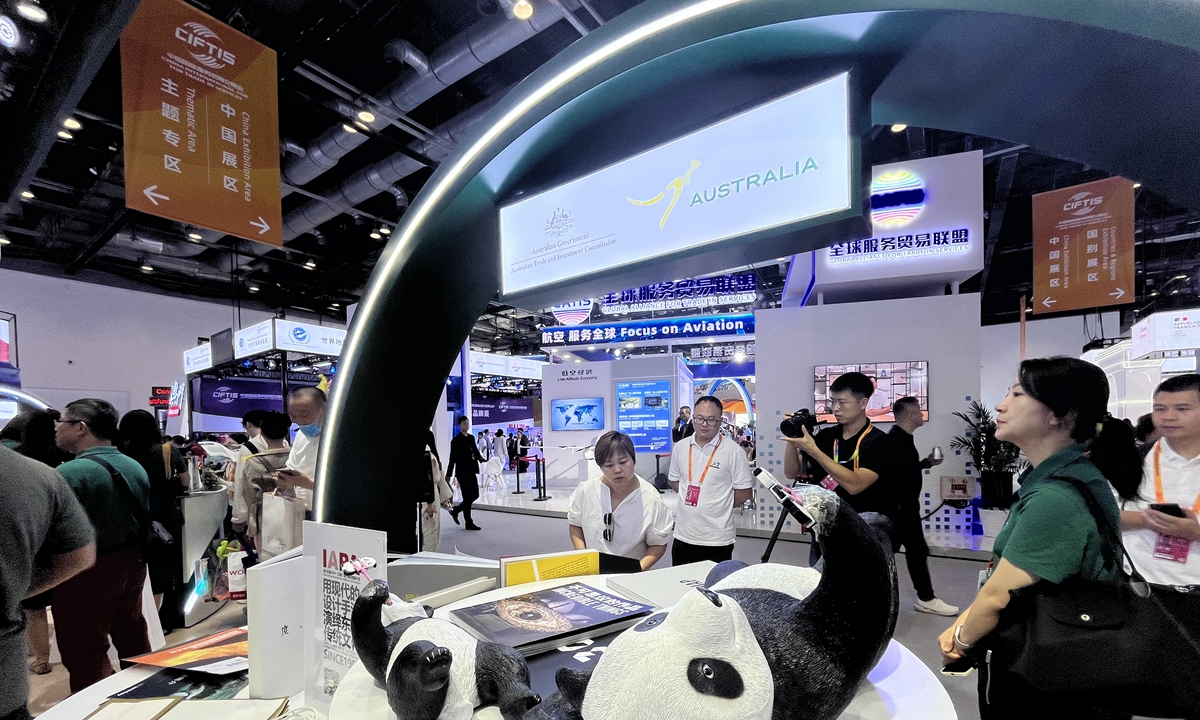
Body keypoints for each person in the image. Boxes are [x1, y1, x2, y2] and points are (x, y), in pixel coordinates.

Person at [938, 357, 1142, 719]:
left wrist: (961, 640)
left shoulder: (1055, 498)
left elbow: (1000, 595)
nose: (1001, 404)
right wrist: (964, 620)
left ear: (1059, 415)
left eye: (1017, 394)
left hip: (1053, 675)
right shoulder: (1065, 476)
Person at [53, 398, 154, 693]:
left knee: (84, 647)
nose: (56, 429)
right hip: (132, 562)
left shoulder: (70, 473)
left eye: (61, 422)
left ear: (80, 428)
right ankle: (147, 692)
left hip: (85, 570)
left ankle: (96, 704)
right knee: (132, 631)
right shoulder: (133, 465)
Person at [0, 445, 96, 720]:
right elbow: (81, 555)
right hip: (7, 682)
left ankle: (41, 657)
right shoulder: (37, 474)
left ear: (81, 427)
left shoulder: (70, 471)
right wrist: (15, 588)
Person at [783, 372, 897, 546]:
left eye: (842, 402)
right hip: (825, 528)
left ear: (863, 403)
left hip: (865, 532)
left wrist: (814, 451)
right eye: (833, 402)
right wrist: (793, 437)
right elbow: (791, 472)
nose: (835, 408)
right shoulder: (826, 437)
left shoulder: (880, 443)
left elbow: (855, 485)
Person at [5, 409, 74, 677]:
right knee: (66, 600)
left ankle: (41, 658)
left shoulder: (16, 459)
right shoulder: (66, 459)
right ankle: (65, 650)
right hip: (63, 538)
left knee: (33, 606)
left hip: (29, 537)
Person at [1120, 374, 1200, 586]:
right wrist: (1148, 521)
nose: (1168, 417)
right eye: (1159, 408)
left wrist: (1195, 532)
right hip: (1141, 588)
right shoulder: (1132, 460)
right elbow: (1107, 514)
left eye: (1182, 409)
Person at [887, 397, 959, 616]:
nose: (921, 414)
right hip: (900, 510)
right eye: (919, 410)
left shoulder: (902, 440)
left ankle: (925, 597)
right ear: (910, 415)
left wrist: (927, 463)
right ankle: (926, 598)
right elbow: (892, 478)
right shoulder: (896, 441)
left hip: (903, 509)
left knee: (907, 551)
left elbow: (905, 472)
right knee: (913, 551)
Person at [668, 395, 755, 565]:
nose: (704, 424)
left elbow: (744, 493)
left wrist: (718, 504)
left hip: (717, 539)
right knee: (680, 588)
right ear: (693, 419)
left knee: (713, 589)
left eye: (711, 420)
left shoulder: (733, 451)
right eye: (700, 418)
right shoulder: (681, 447)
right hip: (683, 536)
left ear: (720, 421)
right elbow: (675, 482)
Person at [568, 431, 674, 570]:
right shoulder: (586, 490)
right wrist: (582, 556)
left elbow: (658, 544)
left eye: (623, 462)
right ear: (600, 466)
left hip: (631, 574)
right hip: (592, 571)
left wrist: (636, 569)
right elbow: (575, 524)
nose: (617, 470)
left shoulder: (651, 499)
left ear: (633, 460)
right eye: (609, 465)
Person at [117, 410, 184, 617]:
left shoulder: (119, 453)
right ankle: (155, 623)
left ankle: (132, 619)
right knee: (159, 574)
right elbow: (185, 481)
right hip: (161, 521)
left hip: (127, 521)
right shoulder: (167, 451)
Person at [233, 412, 293, 559]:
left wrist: (238, 518)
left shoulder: (251, 459)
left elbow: (242, 488)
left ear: (263, 435)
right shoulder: (295, 455)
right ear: (286, 432)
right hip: (295, 511)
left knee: (268, 558)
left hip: (264, 516)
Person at [271, 386, 326, 508]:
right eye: (293, 416)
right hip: (301, 509)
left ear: (325, 408)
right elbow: (292, 465)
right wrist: (284, 479)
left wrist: (307, 484)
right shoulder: (301, 435)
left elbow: (347, 489)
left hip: (330, 514)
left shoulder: (339, 439)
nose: (300, 421)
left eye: (305, 414)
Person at [447, 417, 484, 530]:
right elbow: (452, 459)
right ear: (460, 425)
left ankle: (456, 511)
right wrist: (449, 474)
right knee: (468, 496)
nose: (466, 426)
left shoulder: (471, 438)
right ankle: (468, 522)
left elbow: (475, 451)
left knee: (474, 495)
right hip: (462, 472)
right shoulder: (456, 441)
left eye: (467, 424)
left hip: (471, 470)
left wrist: (481, 459)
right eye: (464, 424)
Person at [421, 434, 454, 552]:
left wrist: (430, 503)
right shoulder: (431, 455)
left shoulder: (426, 455)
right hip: (430, 495)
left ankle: (428, 555)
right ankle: (430, 554)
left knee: (429, 528)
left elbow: (430, 479)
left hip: (428, 496)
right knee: (431, 528)